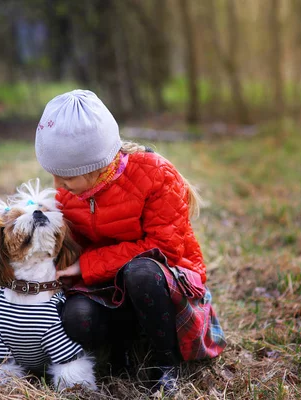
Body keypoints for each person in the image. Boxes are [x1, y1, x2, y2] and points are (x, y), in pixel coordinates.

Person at [34, 89, 226, 394]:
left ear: (94, 168)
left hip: (162, 280)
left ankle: (166, 363)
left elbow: (164, 248)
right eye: (54, 175)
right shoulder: (70, 192)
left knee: (140, 273)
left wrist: (87, 265)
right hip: (106, 286)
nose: (58, 186)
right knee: (76, 317)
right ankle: (120, 354)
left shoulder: (155, 175)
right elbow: (71, 247)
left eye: (66, 177)